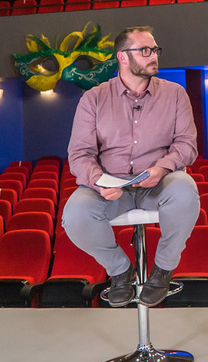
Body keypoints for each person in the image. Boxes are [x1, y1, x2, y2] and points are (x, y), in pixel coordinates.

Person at [62, 25, 199, 308]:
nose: (154, 57)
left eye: (155, 50)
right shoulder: (94, 98)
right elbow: (79, 154)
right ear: (123, 57)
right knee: (74, 214)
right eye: (145, 51)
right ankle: (120, 271)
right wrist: (98, 179)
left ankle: (162, 270)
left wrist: (162, 168)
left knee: (186, 190)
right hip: (111, 186)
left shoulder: (175, 94)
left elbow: (187, 145)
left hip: (159, 182)